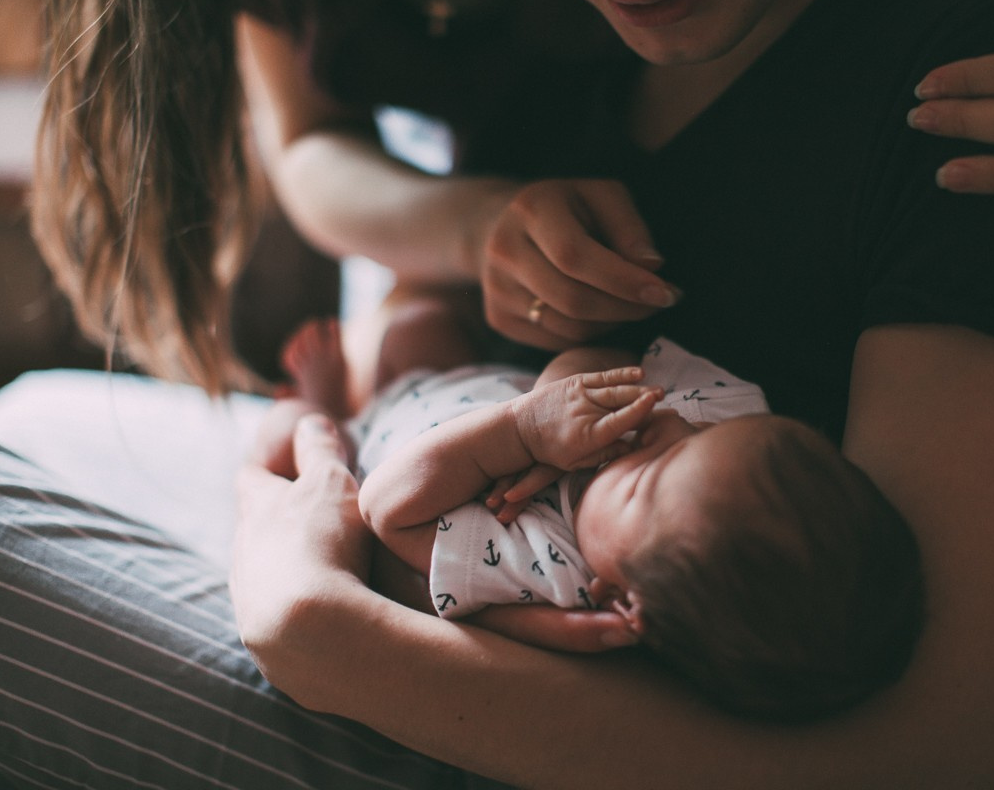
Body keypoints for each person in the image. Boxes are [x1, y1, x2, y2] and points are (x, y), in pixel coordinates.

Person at [0, 0, 994, 787]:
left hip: (591, 732)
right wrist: (462, 238)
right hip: (430, 574)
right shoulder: (556, 37)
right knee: (32, 412)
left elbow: (921, 751)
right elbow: (319, 139)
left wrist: (319, 623)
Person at [254, 306, 923, 723]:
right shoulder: (719, 418)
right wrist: (556, 399)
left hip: (385, 445)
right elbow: (607, 363)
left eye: (639, 488)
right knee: (419, 324)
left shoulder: (550, 569)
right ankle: (353, 390)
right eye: (699, 438)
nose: (658, 436)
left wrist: (518, 433)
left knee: (294, 431)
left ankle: (331, 408)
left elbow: (387, 510)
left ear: (617, 599)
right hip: (460, 380)